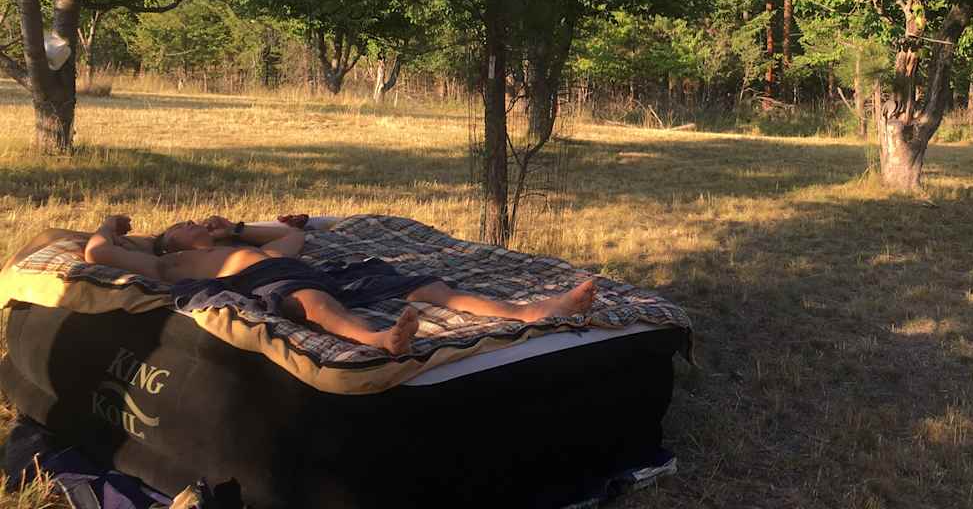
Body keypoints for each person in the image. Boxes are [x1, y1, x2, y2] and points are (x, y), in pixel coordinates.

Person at [84, 214, 596, 355]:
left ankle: (529, 311)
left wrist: (237, 229)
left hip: (306, 272)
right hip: (264, 282)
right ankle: (377, 340)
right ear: (169, 244)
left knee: (424, 283)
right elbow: (98, 254)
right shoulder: (174, 267)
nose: (197, 224)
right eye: (185, 226)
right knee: (311, 301)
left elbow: (292, 234)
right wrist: (112, 225)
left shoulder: (251, 244)